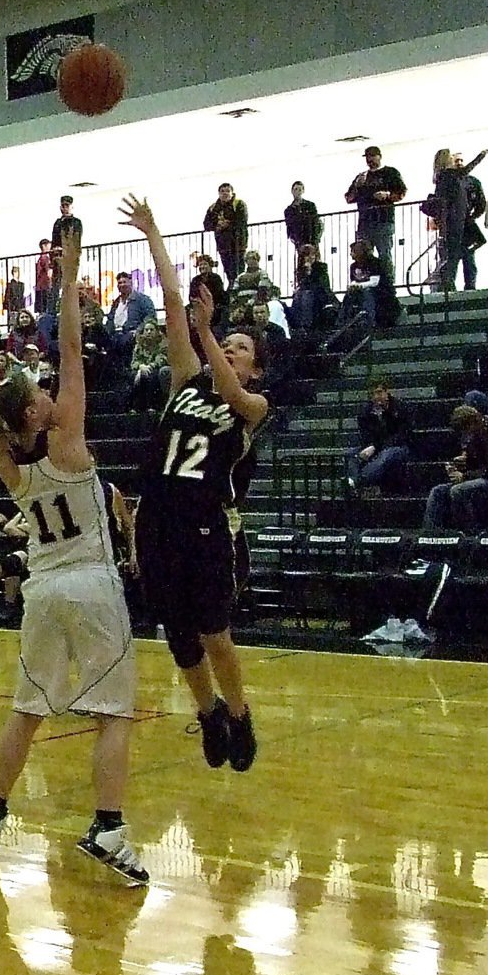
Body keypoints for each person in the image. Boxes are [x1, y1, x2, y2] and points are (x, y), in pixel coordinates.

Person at [0, 227, 148, 885]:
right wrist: (74, 267)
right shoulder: (69, 440)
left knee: (27, 709)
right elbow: (74, 343)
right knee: (114, 713)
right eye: (40, 389)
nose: (52, 388)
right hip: (89, 582)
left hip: (44, 589)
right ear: (34, 410)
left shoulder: (11, 462)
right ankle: (109, 827)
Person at [122, 193, 269, 773]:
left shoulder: (253, 403)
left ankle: (240, 712)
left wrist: (209, 333)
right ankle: (208, 712)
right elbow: (173, 301)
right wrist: (155, 232)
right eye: (225, 343)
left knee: (215, 632)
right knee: (177, 636)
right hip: (158, 521)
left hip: (207, 525)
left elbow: (231, 394)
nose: (228, 349)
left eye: (240, 348)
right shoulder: (184, 380)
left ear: (254, 366)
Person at [422, 405, 488, 532]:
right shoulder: (476, 434)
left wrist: (464, 476)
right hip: (483, 478)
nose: (465, 434)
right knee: (438, 491)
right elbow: (477, 464)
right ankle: (430, 533)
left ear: (472, 423)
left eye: (465, 430)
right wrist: (463, 464)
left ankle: (469, 532)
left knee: (458, 490)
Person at [344, 146, 407, 283]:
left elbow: (401, 192)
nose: (369, 159)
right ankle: (367, 281)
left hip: (383, 220)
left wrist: (388, 195)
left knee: (385, 254)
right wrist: (357, 186)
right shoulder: (361, 177)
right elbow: (348, 198)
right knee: (363, 255)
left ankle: (388, 283)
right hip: (365, 221)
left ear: (379, 156)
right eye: (367, 157)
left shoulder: (390, 173)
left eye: (372, 156)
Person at [430, 147, 488, 291]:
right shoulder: (449, 176)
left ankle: (452, 286)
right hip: (456, 222)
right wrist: (480, 156)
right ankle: (451, 286)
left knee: (457, 257)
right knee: (454, 257)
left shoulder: (443, 178)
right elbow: (466, 169)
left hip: (456, 222)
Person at [346, 378, 414, 494]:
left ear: (387, 392)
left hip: (399, 447)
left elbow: (402, 435)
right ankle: (356, 485)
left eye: (379, 392)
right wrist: (371, 446)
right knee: (351, 454)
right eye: (373, 394)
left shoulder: (400, 408)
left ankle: (357, 484)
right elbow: (366, 436)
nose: (376, 396)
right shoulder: (366, 412)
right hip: (376, 446)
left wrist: (376, 446)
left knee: (386, 455)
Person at [203, 182, 248, 288]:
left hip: (238, 243)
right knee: (228, 269)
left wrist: (227, 225)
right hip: (223, 245)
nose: (225, 194)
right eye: (222, 191)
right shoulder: (213, 208)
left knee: (239, 268)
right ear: (218, 193)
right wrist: (217, 225)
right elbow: (206, 224)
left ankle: (240, 287)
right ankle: (232, 286)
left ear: (232, 193)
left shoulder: (239, 204)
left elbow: (242, 221)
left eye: (227, 191)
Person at [104, 271, 156, 363]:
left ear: (130, 283)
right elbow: (110, 319)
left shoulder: (143, 300)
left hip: (131, 335)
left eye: (124, 282)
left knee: (123, 343)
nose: (122, 285)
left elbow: (150, 318)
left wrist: (138, 331)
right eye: (120, 283)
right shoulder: (116, 302)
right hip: (115, 335)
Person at [284, 181, 322, 255]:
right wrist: (295, 241)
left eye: (300, 189)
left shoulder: (310, 205)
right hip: (299, 241)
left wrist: (315, 239)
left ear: (303, 191)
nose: (298, 192)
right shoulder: (289, 210)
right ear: (292, 191)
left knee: (315, 262)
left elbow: (316, 222)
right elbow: (290, 226)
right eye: (295, 189)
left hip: (312, 239)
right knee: (303, 263)